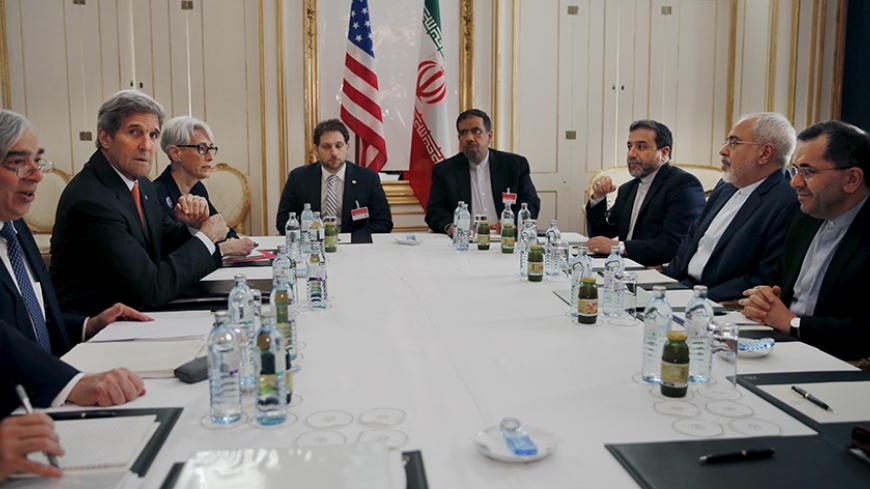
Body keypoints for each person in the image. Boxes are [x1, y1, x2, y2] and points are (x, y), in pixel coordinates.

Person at [50, 90, 229, 316]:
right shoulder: (91, 201)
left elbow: (162, 240)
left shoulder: (140, 184)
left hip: (140, 315)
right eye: (135, 132)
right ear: (105, 138)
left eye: (153, 135)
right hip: (102, 332)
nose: (146, 145)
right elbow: (152, 289)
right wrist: (207, 236)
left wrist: (195, 227)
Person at [0, 109, 151, 354]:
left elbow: (34, 320)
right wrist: (70, 385)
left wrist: (88, 325)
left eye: (36, 162)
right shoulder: (89, 197)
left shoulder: (15, 228)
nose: (37, 176)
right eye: (18, 163)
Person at [741, 120, 869, 362]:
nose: (795, 182)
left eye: (808, 172)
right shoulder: (805, 216)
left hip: (838, 364)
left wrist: (793, 323)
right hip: (779, 345)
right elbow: (778, 284)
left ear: (852, 179)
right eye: (795, 170)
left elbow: (863, 332)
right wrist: (764, 298)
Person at [663, 113, 799, 302]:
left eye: (734, 143)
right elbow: (692, 239)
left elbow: (763, 278)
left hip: (718, 303)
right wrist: (662, 284)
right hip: (681, 289)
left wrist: (695, 300)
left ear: (765, 153)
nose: (723, 150)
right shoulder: (725, 186)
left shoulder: (787, 202)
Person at [585, 120, 705, 266]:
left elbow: (675, 244)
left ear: (664, 153)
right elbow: (601, 237)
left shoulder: (683, 185)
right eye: (630, 146)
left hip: (658, 271)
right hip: (622, 267)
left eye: (641, 147)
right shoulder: (627, 189)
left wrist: (619, 247)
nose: (631, 154)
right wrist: (598, 198)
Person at [425, 109, 540, 235]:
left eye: (476, 131)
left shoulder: (514, 165)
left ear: (489, 136)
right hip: (463, 241)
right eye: (463, 133)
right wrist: (451, 227)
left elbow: (530, 203)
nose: (469, 138)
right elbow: (435, 210)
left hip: (505, 238)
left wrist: (509, 224)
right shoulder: (444, 170)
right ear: (459, 138)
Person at [155, 115, 255, 257]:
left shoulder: (198, 188)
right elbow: (175, 250)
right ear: (175, 153)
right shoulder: (156, 194)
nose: (211, 157)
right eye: (201, 148)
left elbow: (223, 229)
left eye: (211, 148)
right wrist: (225, 247)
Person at [275, 119, 393, 234]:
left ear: (347, 147)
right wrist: (310, 238)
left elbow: (383, 222)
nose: (334, 153)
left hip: (354, 247)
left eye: (339, 145)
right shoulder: (298, 178)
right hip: (312, 246)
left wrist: (352, 240)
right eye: (326, 146)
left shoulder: (368, 178)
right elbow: (283, 221)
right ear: (316, 150)